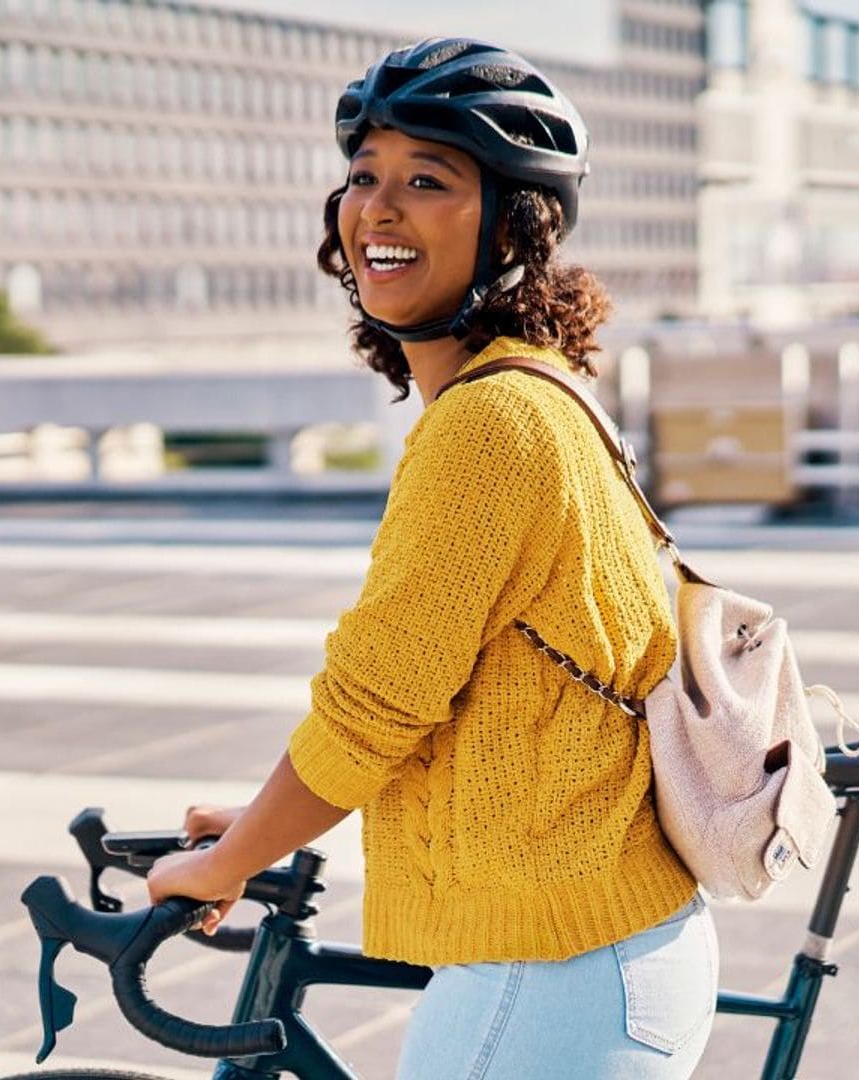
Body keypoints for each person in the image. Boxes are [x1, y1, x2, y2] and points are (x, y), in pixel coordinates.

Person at [147, 37, 719, 1079]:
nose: (380, 208)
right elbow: (479, 702)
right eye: (364, 177)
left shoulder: (490, 426)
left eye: (428, 180)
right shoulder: (541, 390)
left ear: (513, 223)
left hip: (547, 980)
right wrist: (269, 821)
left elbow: (377, 704)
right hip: (597, 951)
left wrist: (227, 865)